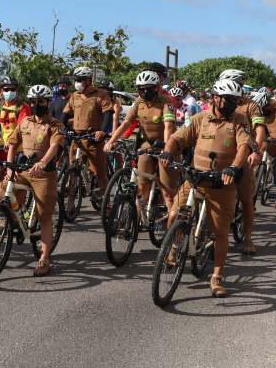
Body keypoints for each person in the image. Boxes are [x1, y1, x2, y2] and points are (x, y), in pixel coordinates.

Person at [162, 78, 252, 298]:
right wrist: (167, 152)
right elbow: (176, 138)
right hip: (195, 178)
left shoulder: (240, 120)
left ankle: (217, 276)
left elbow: (244, 146)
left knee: (220, 232)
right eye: (228, 99)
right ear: (215, 98)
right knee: (174, 214)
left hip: (223, 183)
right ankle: (174, 247)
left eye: (235, 100)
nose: (232, 103)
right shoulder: (200, 118)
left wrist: (233, 167)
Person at [0, 85, 64, 276]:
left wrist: (43, 162)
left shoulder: (56, 125)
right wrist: (9, 168)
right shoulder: (25, 122)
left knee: (44, 217)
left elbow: (54, 147)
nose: (36, 105)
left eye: (41, 102)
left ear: (48, 103)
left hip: (44, 174)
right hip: (23, 170)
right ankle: (17, 218)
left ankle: (44, 258)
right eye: (33, 102)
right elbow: (12, 144)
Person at [104, 70, 179, 218]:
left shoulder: (166, 101)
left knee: (168, 193)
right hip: (147, 145)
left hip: (167, 146)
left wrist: (166, 149)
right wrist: (111, 141)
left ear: (156, 87)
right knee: (143, 187)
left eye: (147, 89)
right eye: (141, 89)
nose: (144, 92)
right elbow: (126, 123)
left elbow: (169, 126)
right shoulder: (139, 102)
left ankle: (174, 226)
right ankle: (135, 223)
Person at [216, 69, 265, 256]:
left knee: (246, 199)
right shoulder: (217, 100)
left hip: (243, 156)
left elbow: (259, 129)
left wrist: (256, 150)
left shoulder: (250, 105)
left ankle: (248, 238)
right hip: (221, 155)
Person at [62, 66, 114, 199]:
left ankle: (106, 203)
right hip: (77, 139)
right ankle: (70, 202)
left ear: (88, 80)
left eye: (79, 80)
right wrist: (59, 128)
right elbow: (65, 115)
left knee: (101, 174)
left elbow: (108, 114)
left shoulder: (100, 95)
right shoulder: (75, 96)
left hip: (94, 140)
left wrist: (102, 131)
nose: (77, 83)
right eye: (76, 80)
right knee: (72, 171)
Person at [0, 75, 31, 162]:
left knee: (11, 170)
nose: (9, 91)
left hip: (17, 150)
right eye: (6, 89)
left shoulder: (24, 108)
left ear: (17, 90)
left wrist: (11, 142)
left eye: (12, 89)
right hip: (1, 146)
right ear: (2, 90)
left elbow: (20, 128)